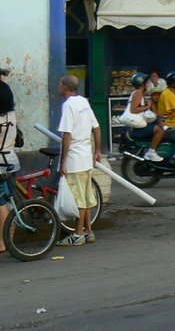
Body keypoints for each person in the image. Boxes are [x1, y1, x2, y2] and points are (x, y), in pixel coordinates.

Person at [56, 75, 102, 246]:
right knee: (86, 196)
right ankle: (88, 231)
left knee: (79, 199)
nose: (58, 86)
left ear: (65, 87)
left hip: (75, 159)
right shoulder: (83, 102)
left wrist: (63, 161)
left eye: (60, 84)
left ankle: (77, 234)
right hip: (85, 157)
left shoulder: (68, 105)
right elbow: (96, 128)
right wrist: (97, 150)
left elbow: (67, 136)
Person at [125, 72, 165, 162]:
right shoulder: (137, 93)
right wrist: (147, 106)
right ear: (142, 83)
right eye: (146, 82)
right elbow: (134, 110)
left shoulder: (140, 94)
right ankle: (151, 151)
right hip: (138, 128)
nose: (148, 84)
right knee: (160, 130)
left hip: (139, 125)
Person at [0, 69, 19, 253]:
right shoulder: (11, 115)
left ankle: (4, 242)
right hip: (11, 159)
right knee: (7, 199)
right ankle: (8, 239)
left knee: (0, 203)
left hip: (1, 162)